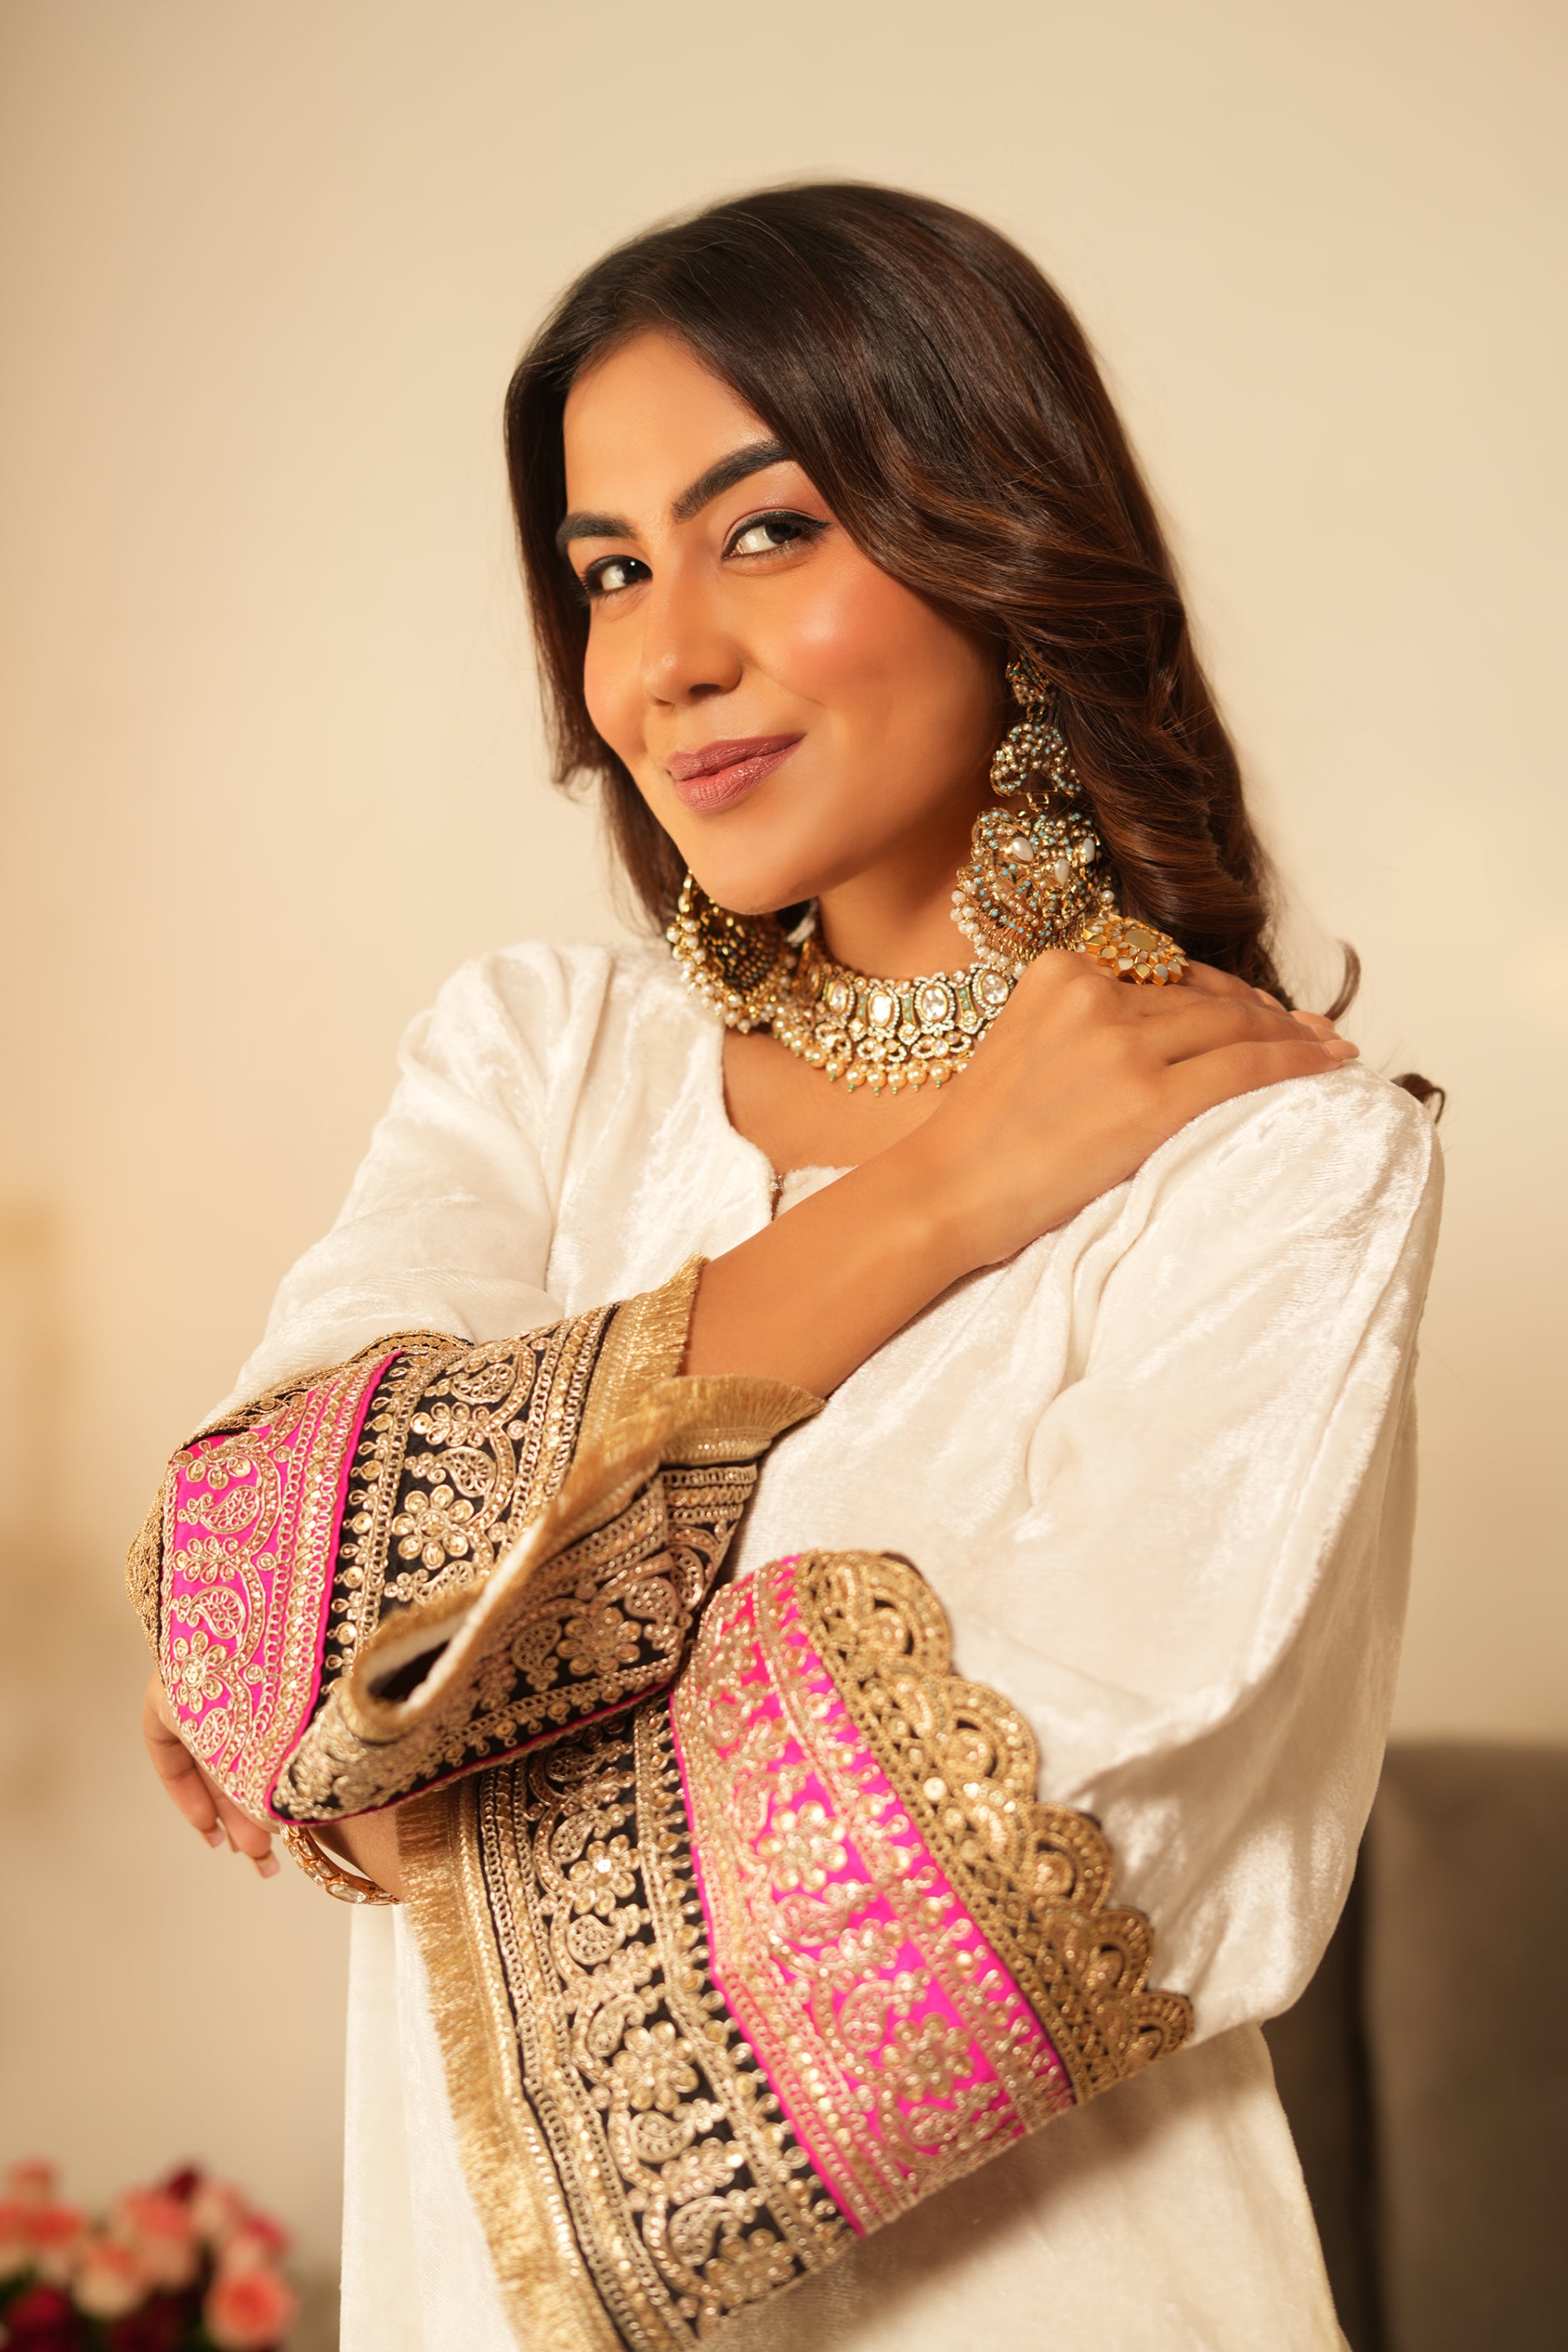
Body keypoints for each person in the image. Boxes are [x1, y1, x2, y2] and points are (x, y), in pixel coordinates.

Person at [135, 183, 1440, 2351]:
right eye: (607, 572)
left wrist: (392, 1698)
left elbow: (982, 1878)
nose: (665, 661)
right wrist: (939, 1201)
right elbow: (246, 1618)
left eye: (767, 531)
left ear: (998, 542)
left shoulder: (1272, 1168)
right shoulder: (541, 1065)